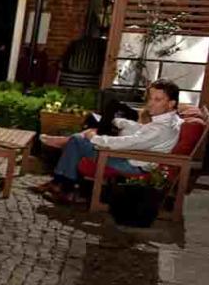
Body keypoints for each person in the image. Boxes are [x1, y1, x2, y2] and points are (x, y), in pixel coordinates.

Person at [36, 78, 183, 204]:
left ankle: (65, 188)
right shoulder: (169, 121)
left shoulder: (161, 128)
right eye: (150, 98)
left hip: (133, 164)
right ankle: (60, 183)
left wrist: (95, 138)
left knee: (77, 141)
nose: (150, 103)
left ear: (171, 103)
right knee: (87, 133)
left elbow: (128, 143)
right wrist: (121, 122)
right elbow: (142, 134)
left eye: (157, 99)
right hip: (133, 157)